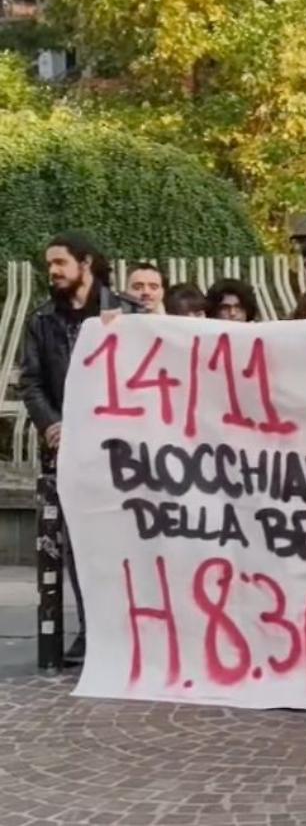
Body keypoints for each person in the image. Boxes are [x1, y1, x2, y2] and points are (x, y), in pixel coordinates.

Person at [18, 233, 143, 666]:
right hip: (68, 455)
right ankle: (94, 632)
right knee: (78, 546)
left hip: (124, 453)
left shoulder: (127, 313)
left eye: (59, 262)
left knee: (131, 541)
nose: (51, 271)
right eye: (48, 263)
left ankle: (137, 632)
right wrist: (51, 424)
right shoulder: (42, 319)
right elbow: (30, 381)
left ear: (85, 262)